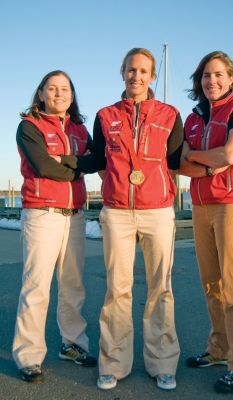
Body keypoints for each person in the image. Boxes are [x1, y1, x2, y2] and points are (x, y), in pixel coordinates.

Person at [61, 47, 184, 390]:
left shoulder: (170, 114)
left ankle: (162, 362)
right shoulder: (105, 115)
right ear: (123, 72)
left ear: (152, 76)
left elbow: (174, 162)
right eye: (131, 70)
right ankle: (113, 363)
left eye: (143, 71)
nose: (136, 76)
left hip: (158, 211)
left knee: (161, 288)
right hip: (117, 212)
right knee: (118, 289)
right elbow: (100, 160)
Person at [178, 51, 233, 393]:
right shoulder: (193, 118)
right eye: (206, 76)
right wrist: (205, 164)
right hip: (200, 205)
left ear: (230, 78)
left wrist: (201, 159)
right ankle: (219, 349)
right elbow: (180, 164)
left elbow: (230, 154)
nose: (212, 81)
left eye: (218, 74)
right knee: (212, 284)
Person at [13, 70, 97, 384]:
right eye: (52, 88)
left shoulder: (78, 128)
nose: (59, 93)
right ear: (41, 93)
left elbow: (95, 160)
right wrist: (74, 163)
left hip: (74, 215)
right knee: (36, 288)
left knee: (73, 285)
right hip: (42, 214)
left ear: (72, 96)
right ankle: (29, 356)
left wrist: (64, 159)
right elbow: (43, 167)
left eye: (65, 89)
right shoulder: (29, 126)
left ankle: (72, 344)